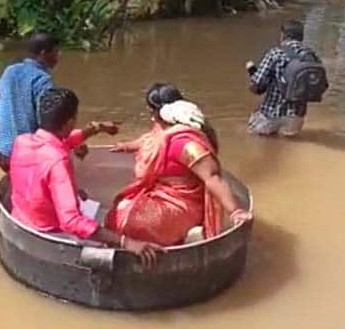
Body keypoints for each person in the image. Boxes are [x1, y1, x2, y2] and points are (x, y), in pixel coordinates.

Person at [10, 87, 163, 268]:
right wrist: (126, 242)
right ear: (70, 121)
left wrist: (95, 129)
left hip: (21, 222)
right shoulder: (58, 160)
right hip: (50, 234)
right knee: (115, 229)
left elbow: (63, 141)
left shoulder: (22, 142)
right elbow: (71, 221)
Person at [106, 83, 252, 247]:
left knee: (128, 223)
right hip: (162, 193)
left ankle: (172, 240)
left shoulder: (186, 144)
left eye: (151, 112)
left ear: (160, 113)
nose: (151, 117)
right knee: (118, 212)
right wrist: (126, 146)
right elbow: (148, 140)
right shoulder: (164, 130)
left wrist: (235, 211)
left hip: (183, 202)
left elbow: (212, 178)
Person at [0, 33, 87, 166]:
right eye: (56, 52)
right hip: (28, 151)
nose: (58, 56)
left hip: (3, 150)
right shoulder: (42, 79)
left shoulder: (9, 71)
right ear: (43, 53)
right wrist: (70, 144)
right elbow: (48, 120)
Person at [246, 20, 326, 137]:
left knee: (252, 136)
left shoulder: (275, 53)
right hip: (296, 119)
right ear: (301, 37)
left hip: (271, 116)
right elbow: (322, 85)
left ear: (283, 35)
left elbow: (256, 85)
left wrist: (251, 70)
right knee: (288, 145)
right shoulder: (312, 56)